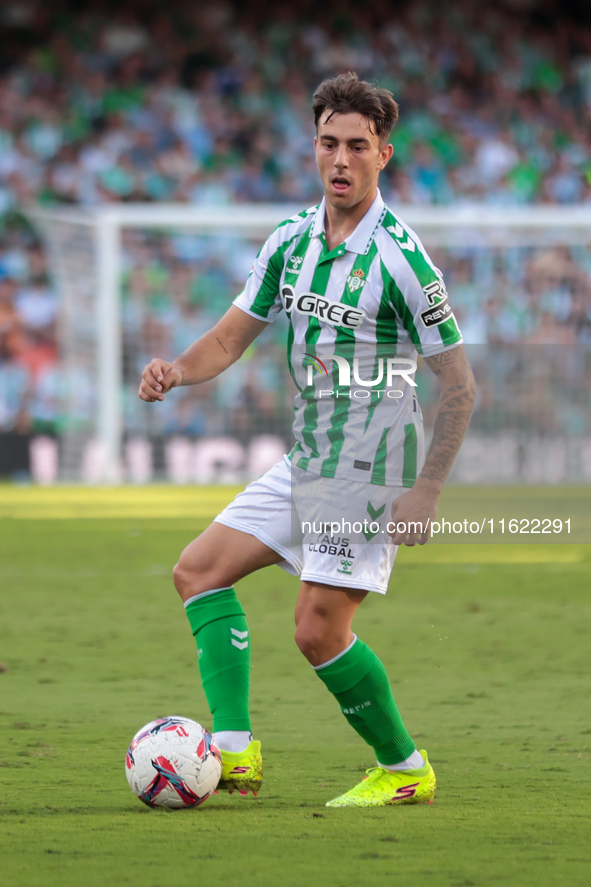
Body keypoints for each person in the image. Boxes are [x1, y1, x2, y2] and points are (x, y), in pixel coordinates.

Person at [139, 73, 476, 808]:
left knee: (317, 628)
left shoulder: (402, 260)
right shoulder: (290, 240)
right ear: (313, 146)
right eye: (329, 143)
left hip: (372, 462)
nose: (340, 160)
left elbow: (459, 385)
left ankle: (403, 767)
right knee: (198, 573)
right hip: (310, 456)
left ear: (383, 154)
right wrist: (176, 370)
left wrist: (427, 489)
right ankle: (232, 752)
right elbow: (229, 339)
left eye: (358, 146)